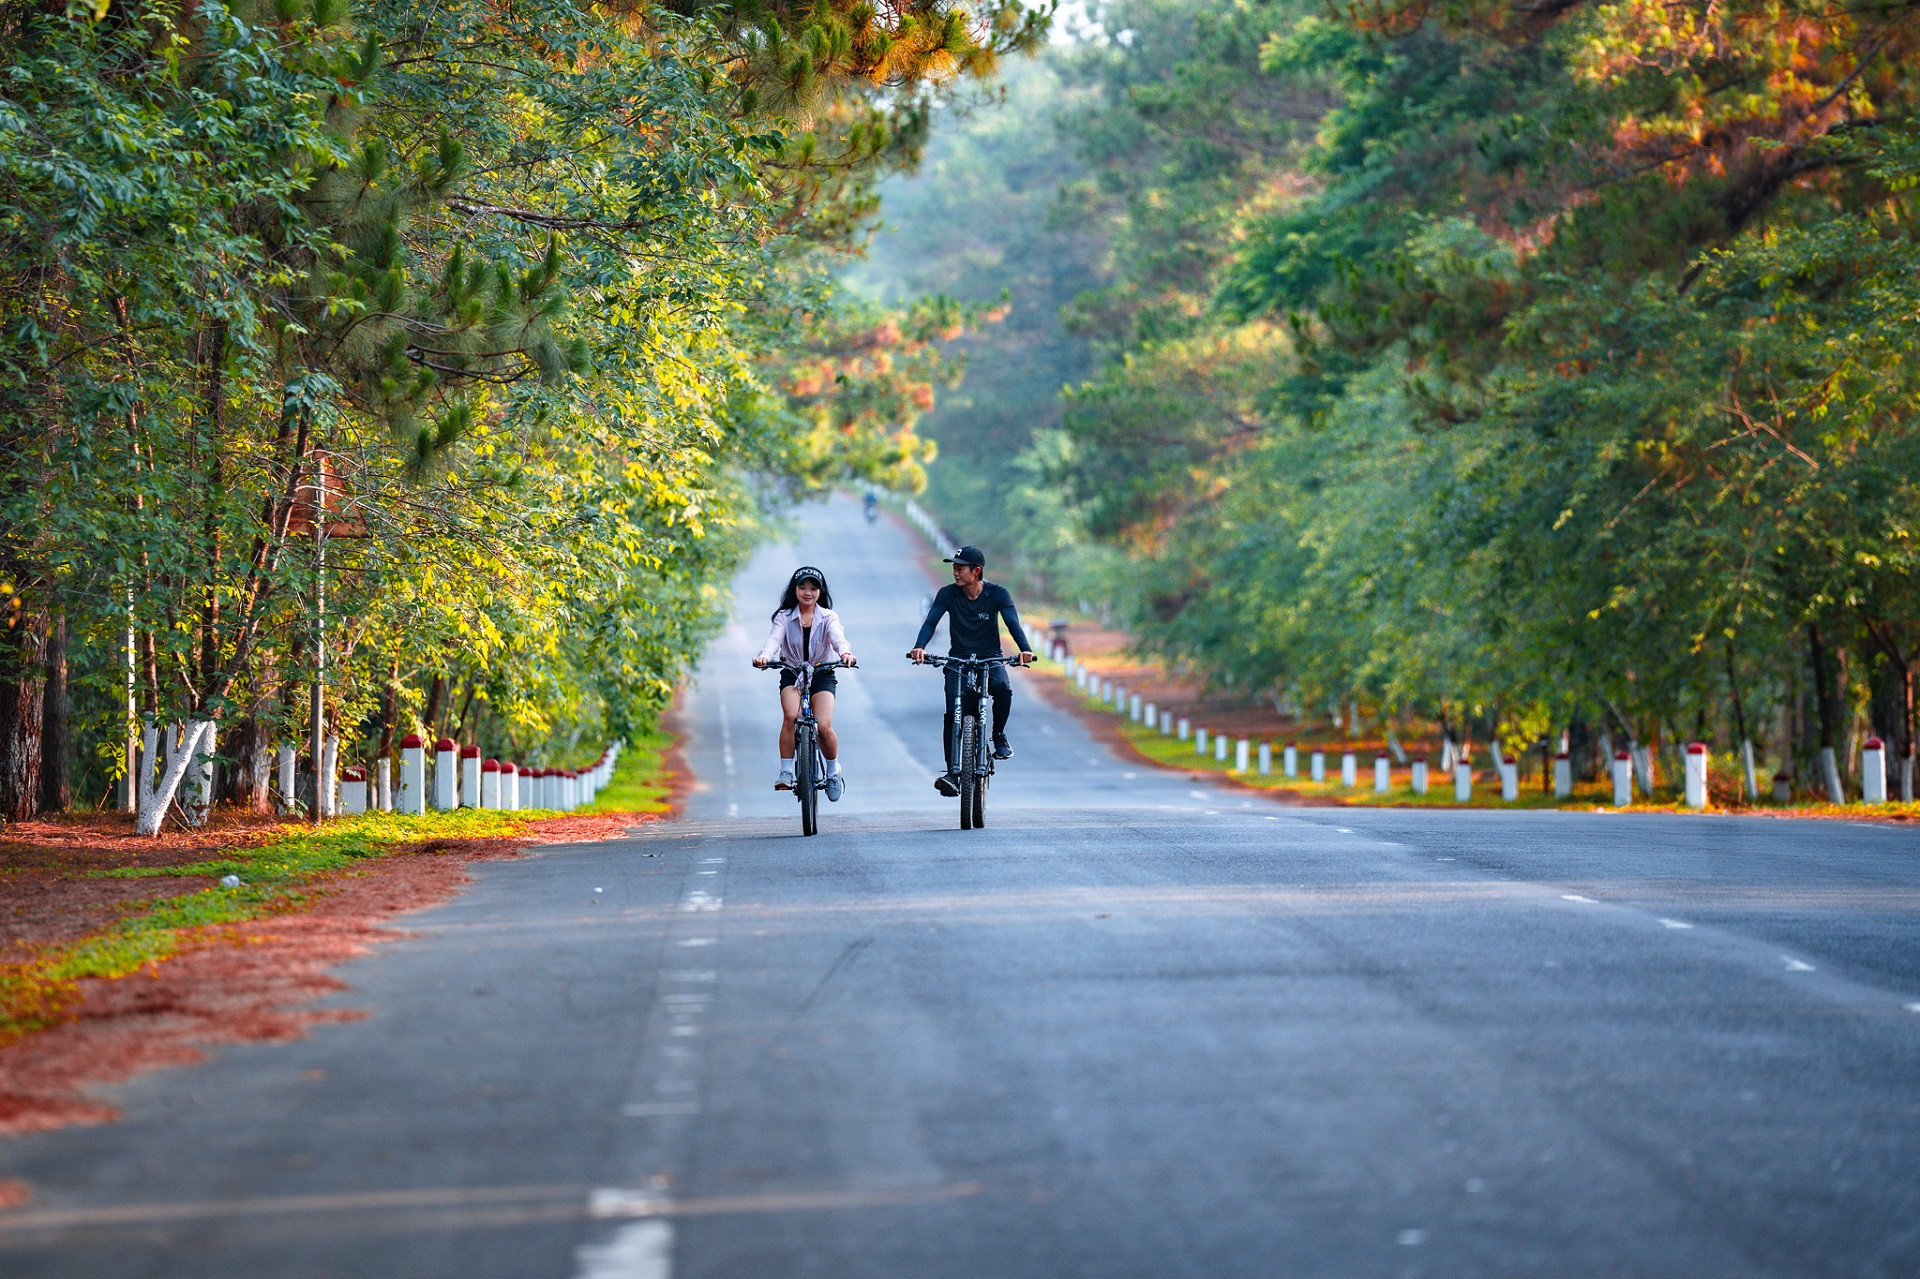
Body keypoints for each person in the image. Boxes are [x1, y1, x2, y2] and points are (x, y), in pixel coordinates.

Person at [907, 545, 1034, 796]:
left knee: (1002, 688)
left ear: (976, 571)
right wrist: (919, 647)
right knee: (953, 710)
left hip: (990, 657)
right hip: (959, 659)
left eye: (960, 568)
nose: (955, 572)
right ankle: (953, 772)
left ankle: (998, 735)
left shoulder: (998, 594)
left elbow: (1012, 623)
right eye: (954, 567)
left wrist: (1025, 649)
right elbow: (931, 622)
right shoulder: (947, 594)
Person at [753, 567, 857, 801]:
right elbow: (773, 640)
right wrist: (765, 657)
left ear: (820, 591)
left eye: (813, 588)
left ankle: (832, 772)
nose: (808, 592)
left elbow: (838, 639)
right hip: (792, 672)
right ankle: (786, 771)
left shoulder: (828, 617)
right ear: (795, 590)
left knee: (824, 725)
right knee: (791, 716)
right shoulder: (784, 616)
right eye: (802, 587)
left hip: (822, 673)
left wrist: (846, 654)